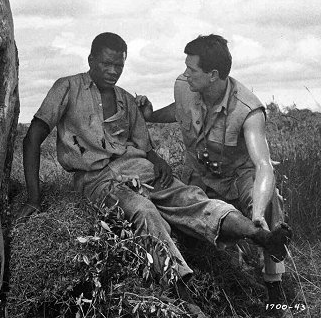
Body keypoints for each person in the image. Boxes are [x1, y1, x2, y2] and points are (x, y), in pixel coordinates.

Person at [18, 32, 291, 314]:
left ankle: (259, 235)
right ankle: (182, 290)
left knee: (191, 198)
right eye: (106, 64)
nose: (113, 71)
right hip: (98, 178)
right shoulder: (67, 88)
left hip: (143, 171)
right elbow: (32, 138)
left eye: (119, 66)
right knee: (143, 210)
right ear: (91, 60)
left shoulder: (126, 100)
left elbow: (146, 148)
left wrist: (158, 161)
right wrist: (33, 199)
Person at [137, 34, 289, 304]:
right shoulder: (185, 86)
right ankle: (217, 265)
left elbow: (264, 165)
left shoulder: (248, 109)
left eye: (192, 69)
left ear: (213, 75)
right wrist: (151, 117)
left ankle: (273, 279)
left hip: (237, 176)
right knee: (183, 214)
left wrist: (256, 210)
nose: (185, 73)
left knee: (268, 202)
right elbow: (180, 109)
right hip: (200, 176)